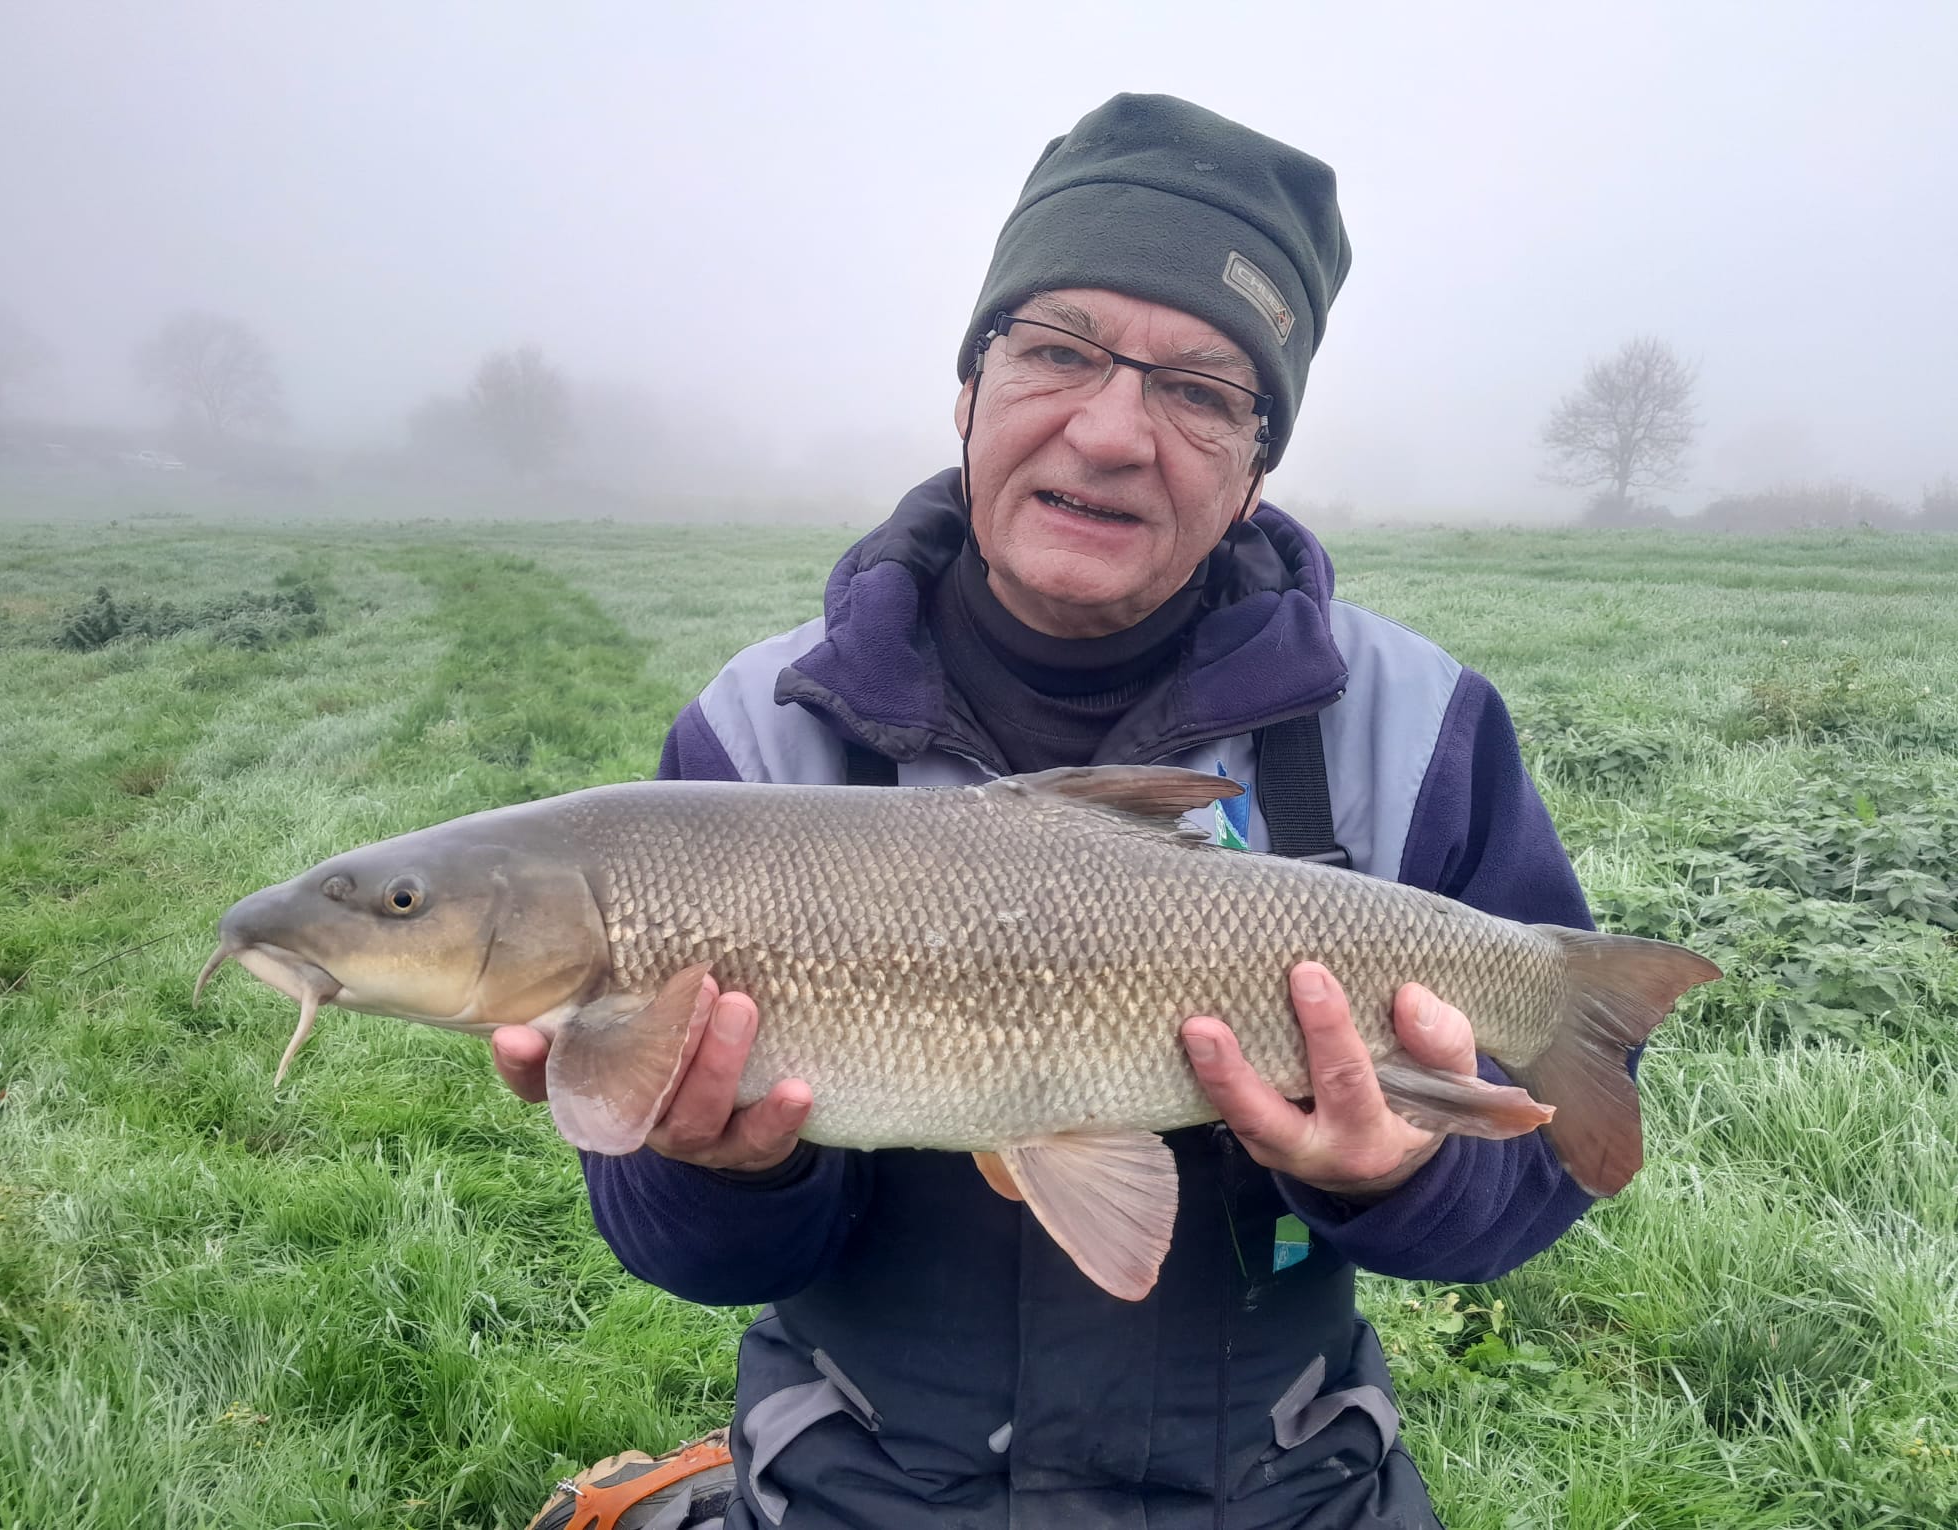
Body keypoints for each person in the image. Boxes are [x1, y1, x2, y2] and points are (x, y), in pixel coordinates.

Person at [501, 93, 1603, 1530]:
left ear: (1260, 458)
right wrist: (724, 1167)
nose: (1110, 429)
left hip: (1287, 1492)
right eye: (1057, 350)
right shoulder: (750, 740)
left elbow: (1539, 1179)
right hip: (865, 1487)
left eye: (1203, 390)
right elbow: (693, 1258)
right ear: (969, 389)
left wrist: (1398, 1181)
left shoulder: (1423, 725)